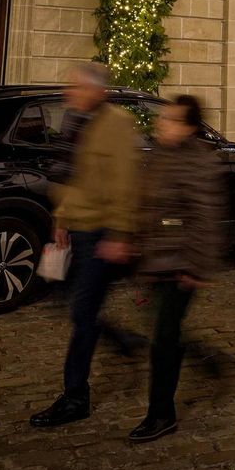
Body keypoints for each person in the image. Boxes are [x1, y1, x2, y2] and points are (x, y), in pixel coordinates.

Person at [31, 63, 142, 429]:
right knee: (67, 299)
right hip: (76, 227)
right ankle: (120, 338)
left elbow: (125, 183)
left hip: (100, 232)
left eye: (78, 88)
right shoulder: (75, 121)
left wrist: (120, 235)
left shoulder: (117, 124)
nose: (70, 93)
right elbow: (70, 175)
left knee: (81, 315)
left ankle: (75, 396)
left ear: (97, 91)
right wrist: (61, 221)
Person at [129, 94, 228, 443]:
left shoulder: (199, 162)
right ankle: (207, 359)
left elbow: (205, 219)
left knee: (162, 339)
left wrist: (196, 269)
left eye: (170, 119)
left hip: (181, 265)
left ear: (187, 127)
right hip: (158, 260)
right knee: (163, 332)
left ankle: (161, 413)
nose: (161, 123)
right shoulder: (160, 155)